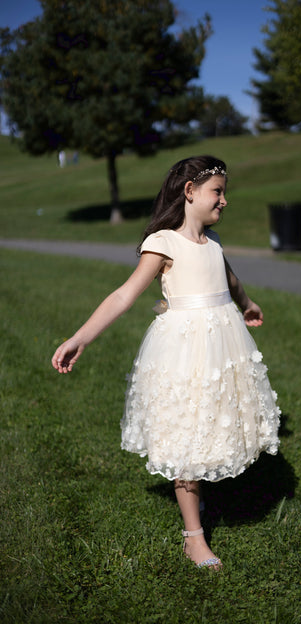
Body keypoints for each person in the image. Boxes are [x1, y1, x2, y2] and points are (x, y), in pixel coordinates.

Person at [51, 155, 281, 569]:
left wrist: (247, 304)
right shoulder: (163, 242)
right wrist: (80, 337)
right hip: (185, 351)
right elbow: (124, 295)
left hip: (223, 346)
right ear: (189, 192)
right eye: (218, 191)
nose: (224, 200)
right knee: (186, 433)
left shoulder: (214, 244)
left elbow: (230, 281)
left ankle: (202, 501)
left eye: (225, 192)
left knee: (215, 421)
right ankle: (194, 536)